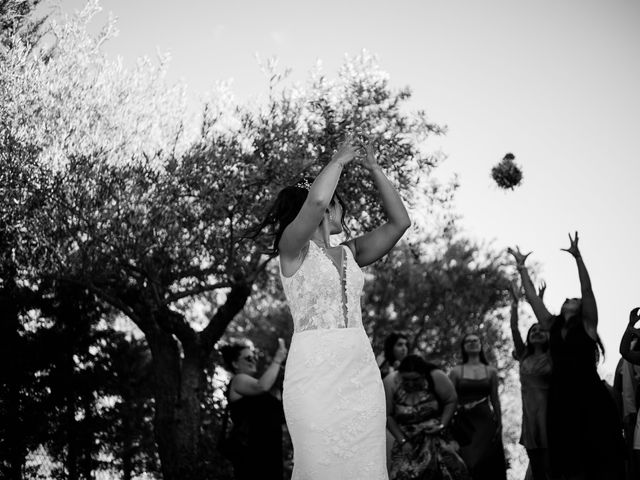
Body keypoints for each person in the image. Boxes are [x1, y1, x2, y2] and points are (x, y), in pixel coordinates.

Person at [254, 135, 411, 479]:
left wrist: (374, 168)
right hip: (314, 372)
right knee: (320, 463)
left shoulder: (351, 253)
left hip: (360, 369)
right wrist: (338, 160)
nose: (344, 209)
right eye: (340, 204)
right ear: (326, 208)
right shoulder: (292, 249)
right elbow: (318, 199)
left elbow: (400, 223)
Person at [510, 232, 625, 480]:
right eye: (567, 298)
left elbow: (587, 288)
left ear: (581, 306)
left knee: (598, 456)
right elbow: (531, 298)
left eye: (573, 299)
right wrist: (521, 267)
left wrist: (578, 257)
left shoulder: (588, 326)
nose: (568, 299)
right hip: (561, 399)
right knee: (566, 462)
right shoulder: (551, 326)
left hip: (590, 395)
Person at [384, 354, 470, 480]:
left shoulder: (436, 376)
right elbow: (387, 415)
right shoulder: (391, 381)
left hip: (436, 436)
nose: (411, 383)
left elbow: (451, 400)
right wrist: (402, 441)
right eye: (407, 379)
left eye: (415, 379)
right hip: (407, 440)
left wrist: (442, 424)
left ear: (423, 374)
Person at [220, 339, 288, 480]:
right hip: (252, 456)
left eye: (254, 357)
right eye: (248, 358)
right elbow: (261, 386)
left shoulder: (259, 393)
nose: (254, 360)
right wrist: (277, 359)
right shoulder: (238, 380)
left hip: (271, 453)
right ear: (235, 364)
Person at [508, 281, 552, 480]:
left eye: (540, 330)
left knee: (553, 465)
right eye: (532, 330)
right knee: (537, 467)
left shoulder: (552, 356)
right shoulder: (524, 355)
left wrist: (539, 302)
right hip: (530, 417)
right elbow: (515, 329)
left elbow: (547, 325)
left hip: (550, 414)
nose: (536, 332)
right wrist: (515, 303)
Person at [449, 333, 507, 480]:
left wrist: (499, 423)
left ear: (480, 345)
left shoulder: (491, 371)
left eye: (475, 340)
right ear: (463, 347)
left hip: (486, 422)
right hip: (465, 424)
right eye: (468, 341)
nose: (472, 343)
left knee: (488, 462)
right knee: (469, 462)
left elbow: (495, 398)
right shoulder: (456, 372)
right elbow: (451, 400)